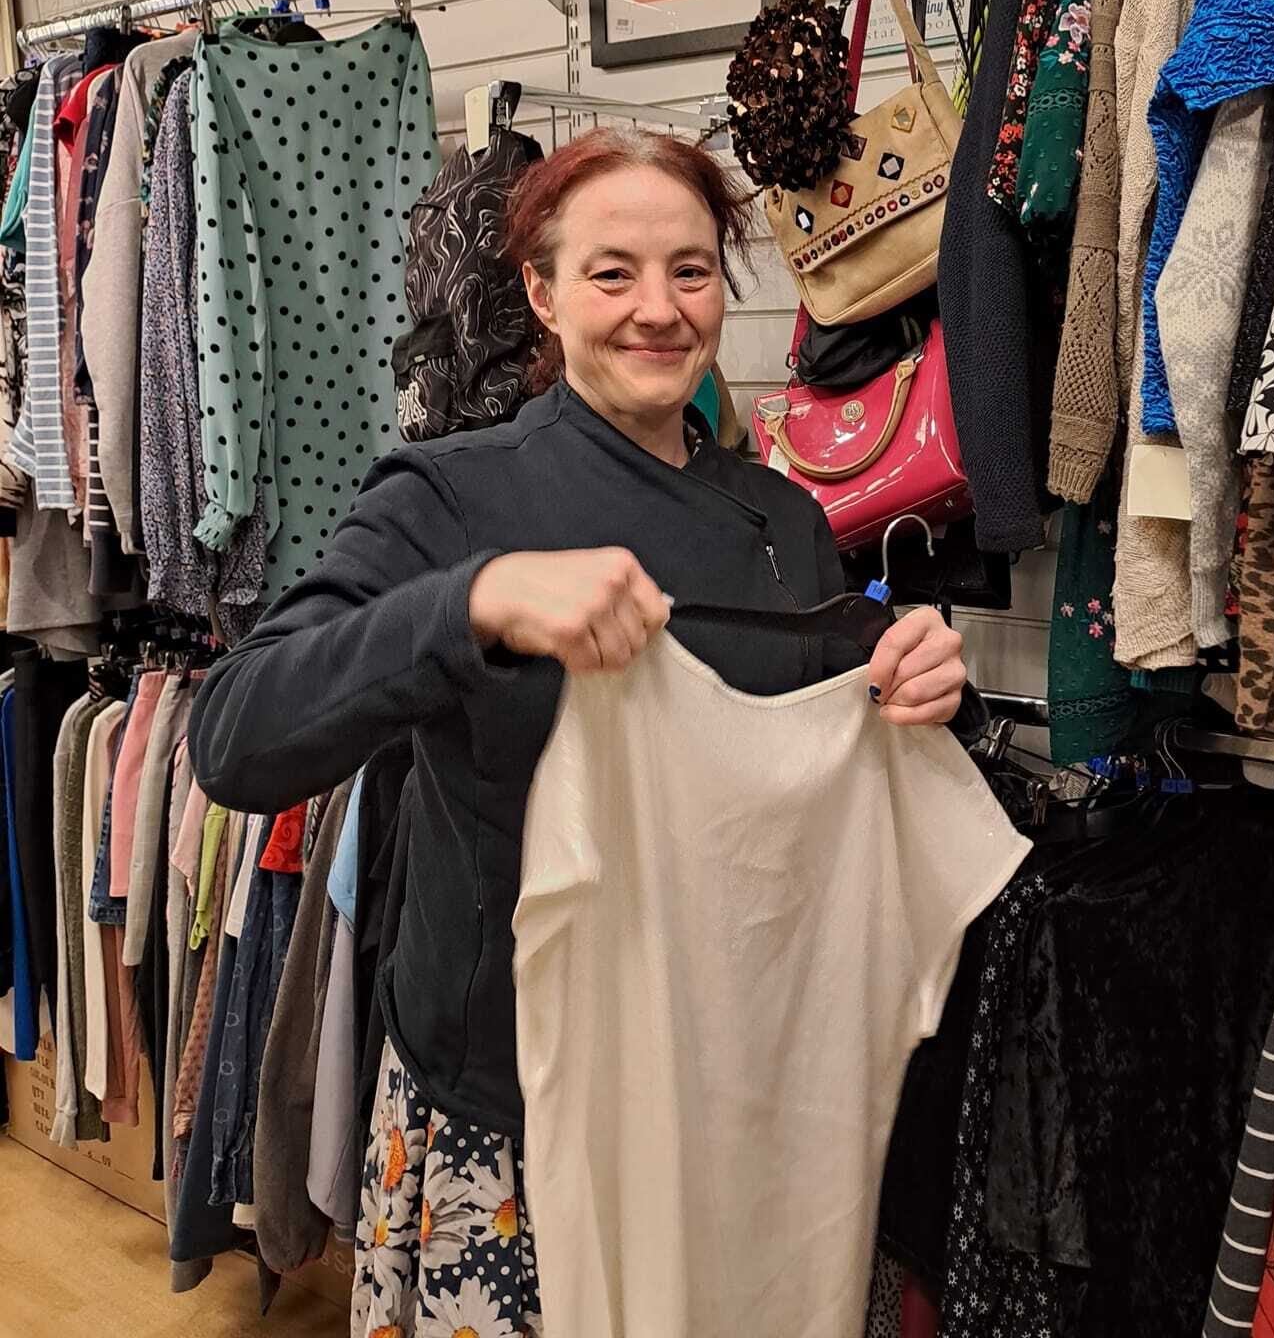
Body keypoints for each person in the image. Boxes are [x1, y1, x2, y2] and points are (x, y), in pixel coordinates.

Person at [187, 127, 967, 1335]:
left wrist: (907, 671)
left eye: (691, 271)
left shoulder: (783, 521)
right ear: (543, 295)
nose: (658, 309)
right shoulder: (450, 496)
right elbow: (237, 737)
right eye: (613, 273)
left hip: (740, 1099)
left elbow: (821, 739)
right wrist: (473, 604)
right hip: (514, 1127)